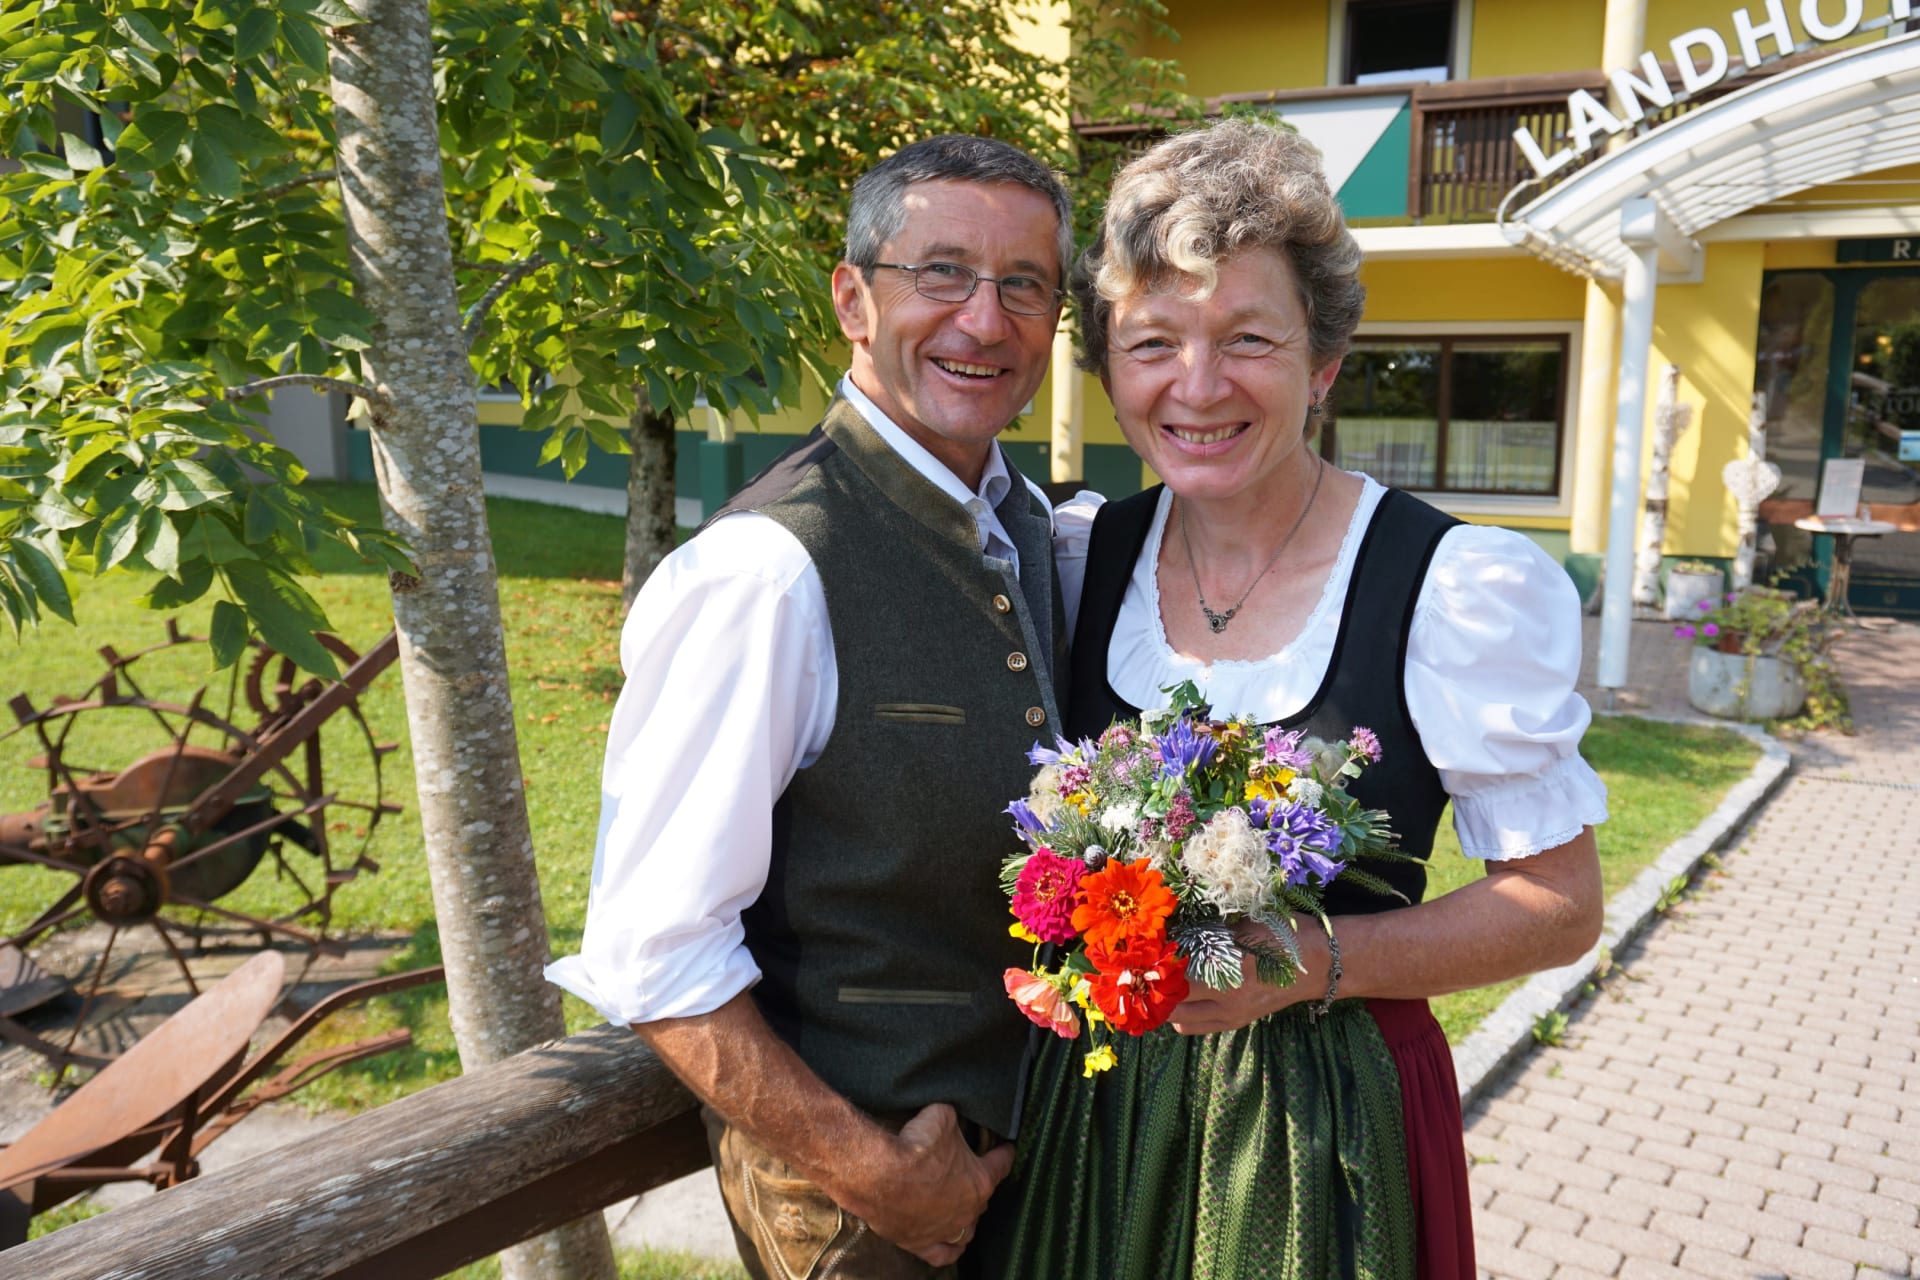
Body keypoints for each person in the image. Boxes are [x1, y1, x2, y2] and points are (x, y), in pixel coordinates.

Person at [974, 118, 1610, 1279]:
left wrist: (1308, 959)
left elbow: (1559, 906)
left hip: (1322, 1128)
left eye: (1248, 338)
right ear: (1110, 368)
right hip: (1094, 1118)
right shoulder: (1078, 555)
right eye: (1152, 342)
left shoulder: (1448, 585)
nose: (1197, 384)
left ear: (1323, 362)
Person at [545, 135, 1074, 1280]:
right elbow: (652, 942)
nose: (985, 319)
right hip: (860, 1217)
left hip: (1023, 1183)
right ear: (852, 299)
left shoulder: (1022, 522)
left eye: (1024, 283)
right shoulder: (765, 571)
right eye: (942, 272)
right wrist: (870, 1168)